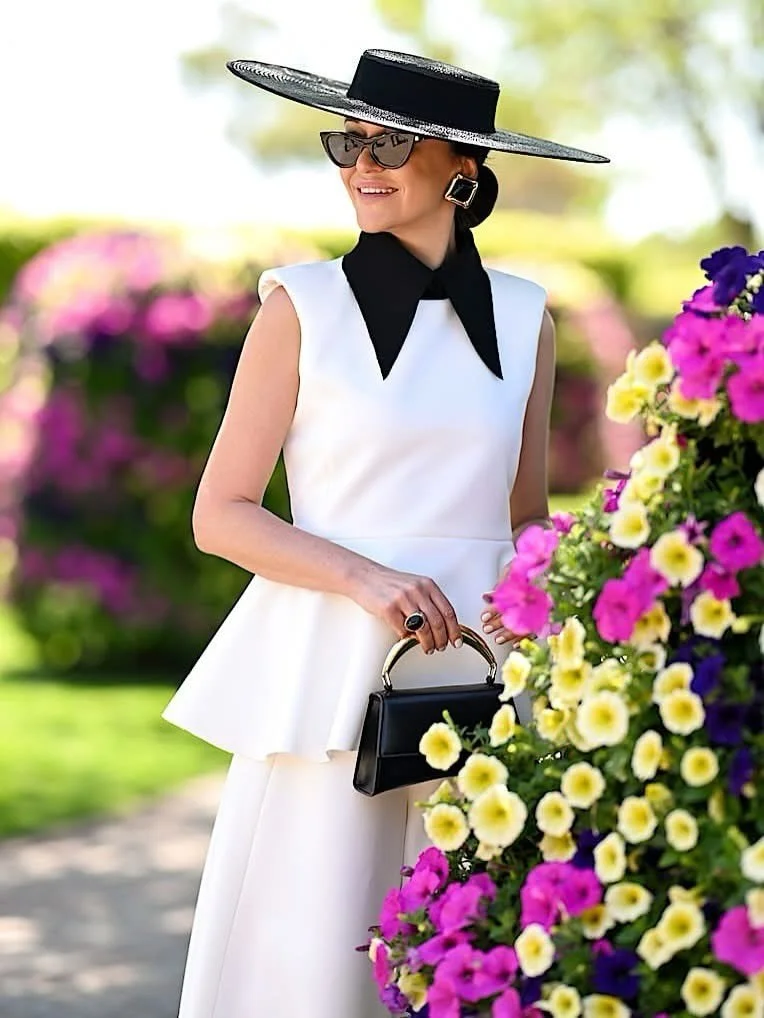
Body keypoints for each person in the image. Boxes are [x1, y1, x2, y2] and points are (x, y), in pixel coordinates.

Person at [162, 48, 608, 1018]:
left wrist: (560, 594)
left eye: (391, 144)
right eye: (349, 142)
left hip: (486, 679)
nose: (362, 165)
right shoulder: (299, 305)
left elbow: (522, 518)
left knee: (477, 962)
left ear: (463, 170)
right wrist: (367, 578)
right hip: (329, 680)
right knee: (316, 966)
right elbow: (220, 513)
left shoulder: (527, 318)